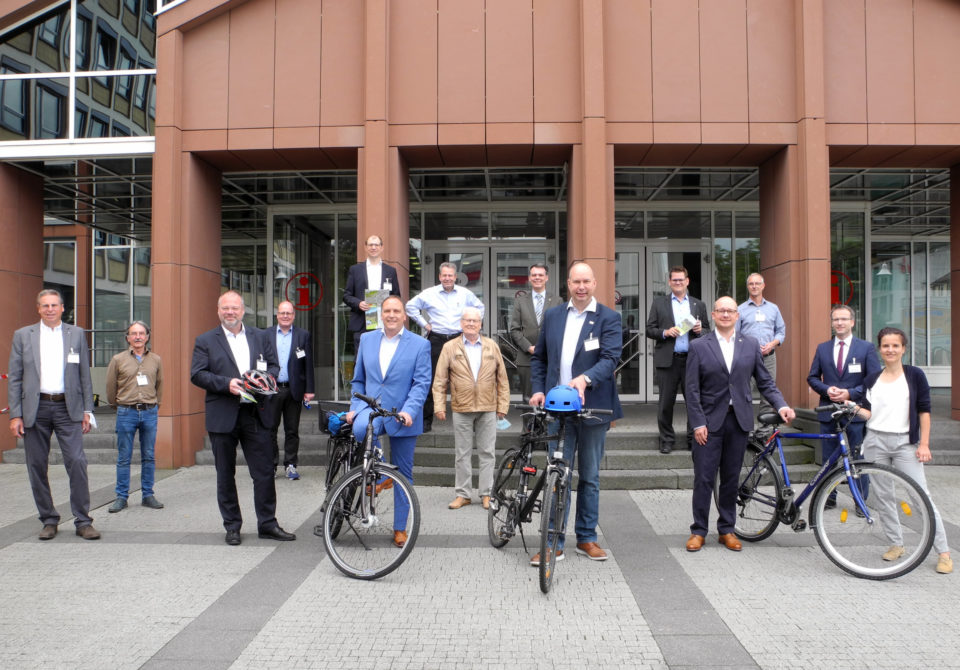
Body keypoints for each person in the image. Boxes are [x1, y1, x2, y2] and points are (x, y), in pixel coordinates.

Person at [684, 297, 795, 552]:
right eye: (721, 310)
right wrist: (698, 423)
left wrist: (781, 406)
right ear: (713, 315)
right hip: (708, 423)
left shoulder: (750, 344)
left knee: (731, 478)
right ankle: (698, 530)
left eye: (730, 311)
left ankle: (727, 529)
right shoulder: (699, 346)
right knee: (704, 478)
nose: (725, 314)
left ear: (737, 316)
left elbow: (765, 382)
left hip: (739, 421)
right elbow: (691, 389)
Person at [529, 261, 623, 565]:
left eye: (586, 281)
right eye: (575, 282)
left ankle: (586, 537)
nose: (581, 287)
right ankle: (553, 542)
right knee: (558, 476)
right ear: (568, 284)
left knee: (590, 477)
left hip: (594, 408)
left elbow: (611, 358)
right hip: (558, 410)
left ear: (594, 283)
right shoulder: (553, 315)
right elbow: (540, 358)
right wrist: (538, 389)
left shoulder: (608, 317)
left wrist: (585, 378)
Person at [190, 290, 296, 546]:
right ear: (218, 311)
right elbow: (197, 374)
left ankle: (267, 524)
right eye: (225, 308)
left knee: (264, 472)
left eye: (234, 308)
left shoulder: (260, 337)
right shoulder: (205, 340)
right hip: (223, 414)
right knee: (225, 474)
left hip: (256, 414)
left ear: (243, 310)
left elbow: (274, 366)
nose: (230, 312)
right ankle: (232, 526)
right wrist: (226, 383)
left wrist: (262, 380)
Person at [857, 327, 951, 574]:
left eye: (895, 346)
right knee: (883, 496)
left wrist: (924, 444)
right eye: (886, 346)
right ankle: (896, 544)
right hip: (875, 441)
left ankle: (943, 552)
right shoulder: (872, 379)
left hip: (905, 444)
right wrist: (852, 407)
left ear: (903, 349)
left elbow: (924, 411)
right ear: (880, 349)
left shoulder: (915, 375)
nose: (890, 350)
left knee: (920, 497)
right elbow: (868, 412)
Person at [8, 289, 100, 540]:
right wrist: (15, 415)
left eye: (54, 305)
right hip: (35, 409)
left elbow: (84, 374)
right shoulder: (23, 335)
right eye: (45, 305)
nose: (50, 309)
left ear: (62, 308)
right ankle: (48, 519)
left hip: (66, 407)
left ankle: (83, 521)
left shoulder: (76, 333)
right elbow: (15, 378)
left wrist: (87, 410)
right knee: (36, 465)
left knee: (77, 462)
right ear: (38, 308)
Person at [347, 295, 431, 548]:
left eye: (396, 311)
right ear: (380, 315)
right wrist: (355, 407)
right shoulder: (367, 339)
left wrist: (410, 411)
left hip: (402, 413)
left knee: (404, 473)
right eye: (387, 311)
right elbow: (358, 380)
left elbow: (421, 383)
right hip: (371, 407)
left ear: (404, 316)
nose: (392, 315)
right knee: (360, 429)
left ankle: (400, 528)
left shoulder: (420, 344)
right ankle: (382, 473)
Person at [432, 307, 510, 510]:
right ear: (461, 323)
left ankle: (486, 493)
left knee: (487, 453)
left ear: (480, 324)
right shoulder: (450, 347)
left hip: (488, 407)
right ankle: (463, 494)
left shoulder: (492, 346)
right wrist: (439, 405)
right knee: (462, 454)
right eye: (467, 320)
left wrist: (502, 405)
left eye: (475, 321)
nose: (471, 324)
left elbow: (502, 379)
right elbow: (440, 379)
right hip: (461, 407)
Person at [406, 261, 484, 432]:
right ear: (440, 277)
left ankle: (470, 420)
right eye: (444, 275)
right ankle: (426, 421)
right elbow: (410, 306)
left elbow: (480, 307)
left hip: (459, 338)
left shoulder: (465, 294)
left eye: (450, 275)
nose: (447, 278)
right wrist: (424, 324)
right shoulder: (430, 293)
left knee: (466, 378)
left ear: (455, 277)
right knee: (432, 379)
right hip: (436, 339)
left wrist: (471, 326)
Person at [645, 266, 711, 453]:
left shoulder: (698, 304)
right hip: (668, 360)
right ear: (669, 282)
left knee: (694, 402)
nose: (678, 283)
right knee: (666, 403)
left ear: (687, 281)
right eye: (674, 280)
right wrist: (665, 332)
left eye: (681, 279)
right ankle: (666, 440)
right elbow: (649, 329)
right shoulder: (659, 303)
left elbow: (708, 331)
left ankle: (693, 438)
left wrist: (700, 330)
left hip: (692, 361)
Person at [807, 305, 882, 470]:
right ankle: (829, 489)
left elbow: (875, 380)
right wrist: (826, 390)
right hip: (829, 412)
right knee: (828, 462)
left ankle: (859, 488)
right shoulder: (822, 348)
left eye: (844, 319)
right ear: (832, 323)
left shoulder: (866, 348)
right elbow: (812, 377)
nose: (839, 323)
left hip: (856, 412)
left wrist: (850, 393)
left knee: (859, 460)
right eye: (836, 319)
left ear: (852, 322)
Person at [104, 320, 164, 512]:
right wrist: (117, 405)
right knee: (124, 457)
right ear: (128, 338)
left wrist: (155, 404)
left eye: (141, 333)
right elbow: (110, 386)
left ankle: (148, 495)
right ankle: (121, 497)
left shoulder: (156, 359)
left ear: (147, 337)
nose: (138, 337)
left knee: (149, 455)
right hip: (126, 412)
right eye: (134, 334)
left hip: (149, 412)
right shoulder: (118, 359)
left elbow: (160, 385)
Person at [270, 301, 315, 481]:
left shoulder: (303, 335)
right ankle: (271, 465)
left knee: (292, 430)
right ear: (277, 315)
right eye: (282, 313)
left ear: (294, 316)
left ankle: (291, 465)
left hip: (294, 389)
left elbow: (308, 364)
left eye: (289, 313)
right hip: (271, 390)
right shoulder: (266, 335)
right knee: (270, 430)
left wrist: (309, 389)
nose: (285, 316)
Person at [509, 263, 563, 399]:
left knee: (551, 398)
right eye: (534, 275)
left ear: (546, 278)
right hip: (527, 359)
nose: (537, 277)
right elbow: (515, 329)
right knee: (529, 400)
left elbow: (561, 329)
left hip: (550, 358)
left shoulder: (557, 301)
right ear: (529, 278)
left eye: (540, 275)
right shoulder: (520, 301)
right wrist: (529, 347)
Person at [343, 234, 401, 353]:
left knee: (384, 356)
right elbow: (346, 295)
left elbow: (396, 296)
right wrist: (358, 303)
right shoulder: (355, 270)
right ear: (366, 247)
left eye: (376, 245)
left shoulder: (390, 271)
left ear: (381, 247)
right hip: (362, 322)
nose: (373, 247)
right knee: (361, 358)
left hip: (385, 321)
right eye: (370, 245)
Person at [737, 272, 785, 415]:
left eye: (757, 283)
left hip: (768, 357)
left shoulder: (773, 308)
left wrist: (772, 344)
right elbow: (735, 335)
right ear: (747, 287)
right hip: (747, 357)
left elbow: (781, 332)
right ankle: (745, 424)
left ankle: (765, 425)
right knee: (744, 391)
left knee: (768, 392)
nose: (754, 286)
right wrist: (749, 347)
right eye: (751, 284)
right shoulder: (740, 310)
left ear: (763, 286)